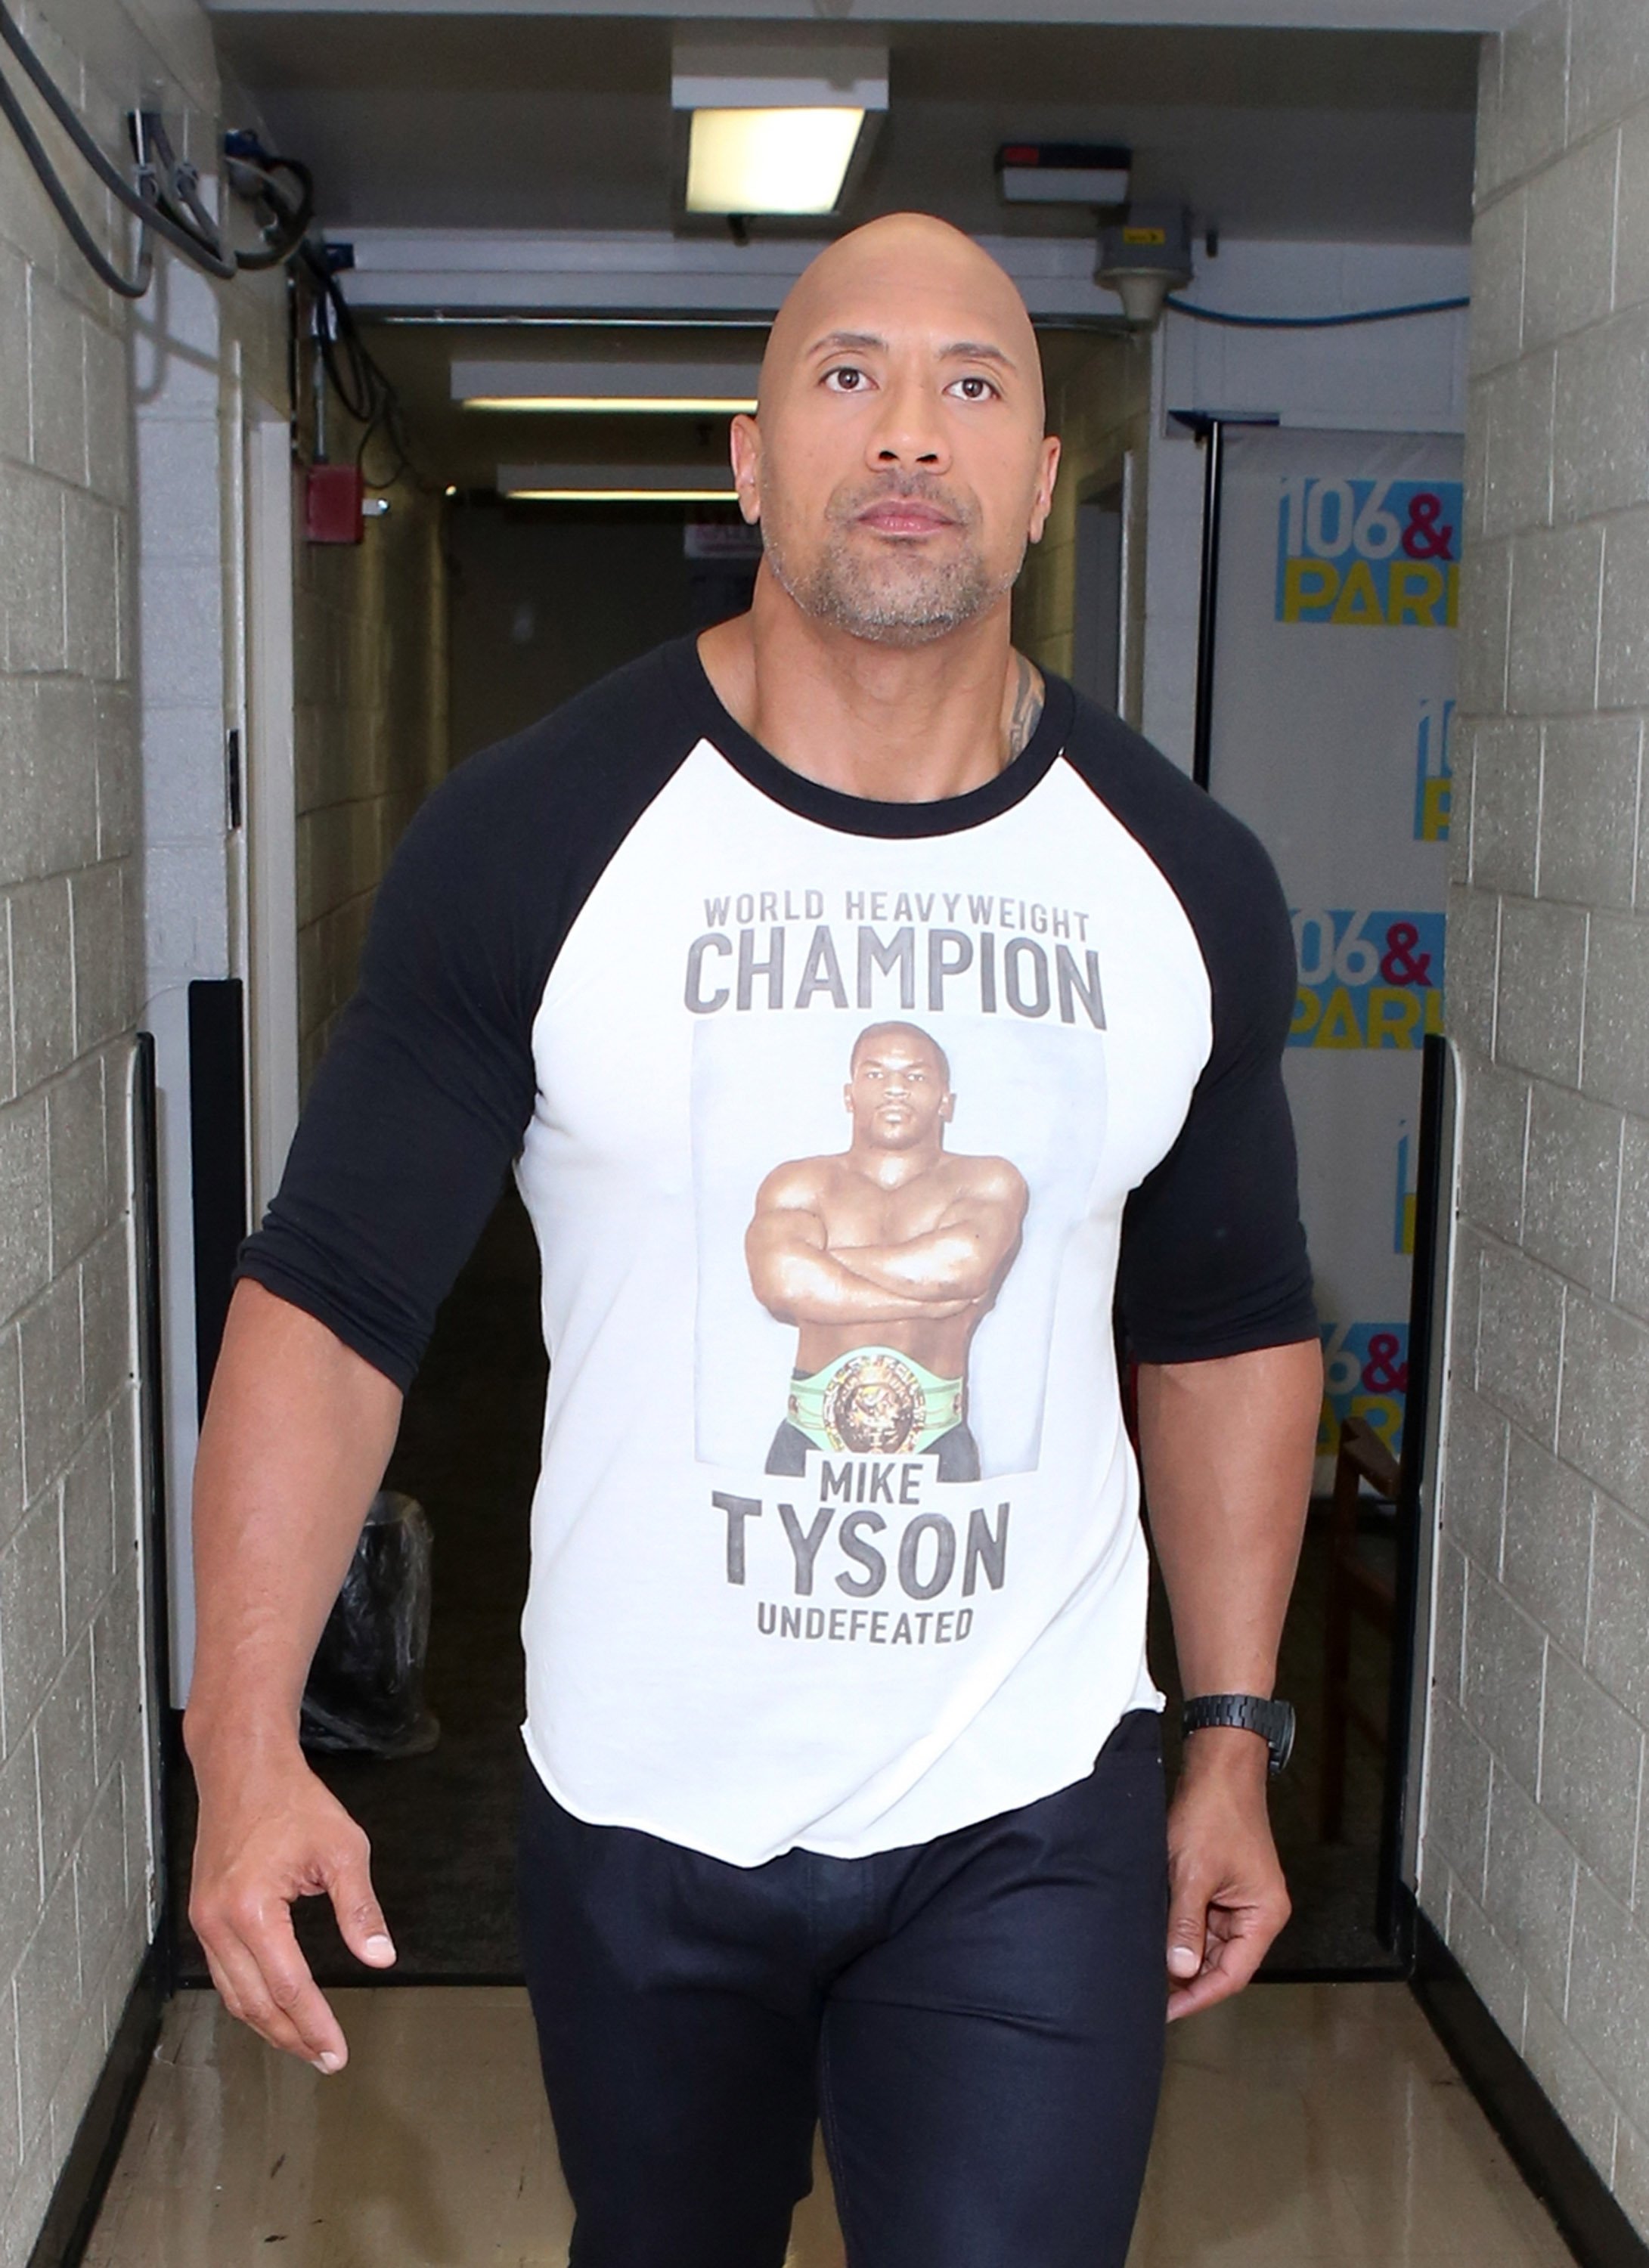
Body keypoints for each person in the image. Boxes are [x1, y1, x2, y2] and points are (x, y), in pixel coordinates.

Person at [185, 211, 1322, 2268]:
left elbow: (1226, 1326)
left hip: (1027, 1809)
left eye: (974, 384)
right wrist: (242, 1736)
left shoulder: (1179, 883)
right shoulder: (534, 840)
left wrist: (1228, 1736)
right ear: (747, 457)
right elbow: (334, 1305)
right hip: (640, 1804)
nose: (911, 431)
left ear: (1041, 479)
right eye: (847, 376)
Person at [747, 1019, 1025, 1480]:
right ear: (849, 1094)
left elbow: (961, 1268)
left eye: (915, 1076)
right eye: (876, 1074)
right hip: (809, 1439)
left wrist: (828, 1262)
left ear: (945, 1100)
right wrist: (920, 1299)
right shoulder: (798, 1183)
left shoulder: (989, 1180)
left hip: (937, 1439)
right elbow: (782, 1282)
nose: (895, 1088)